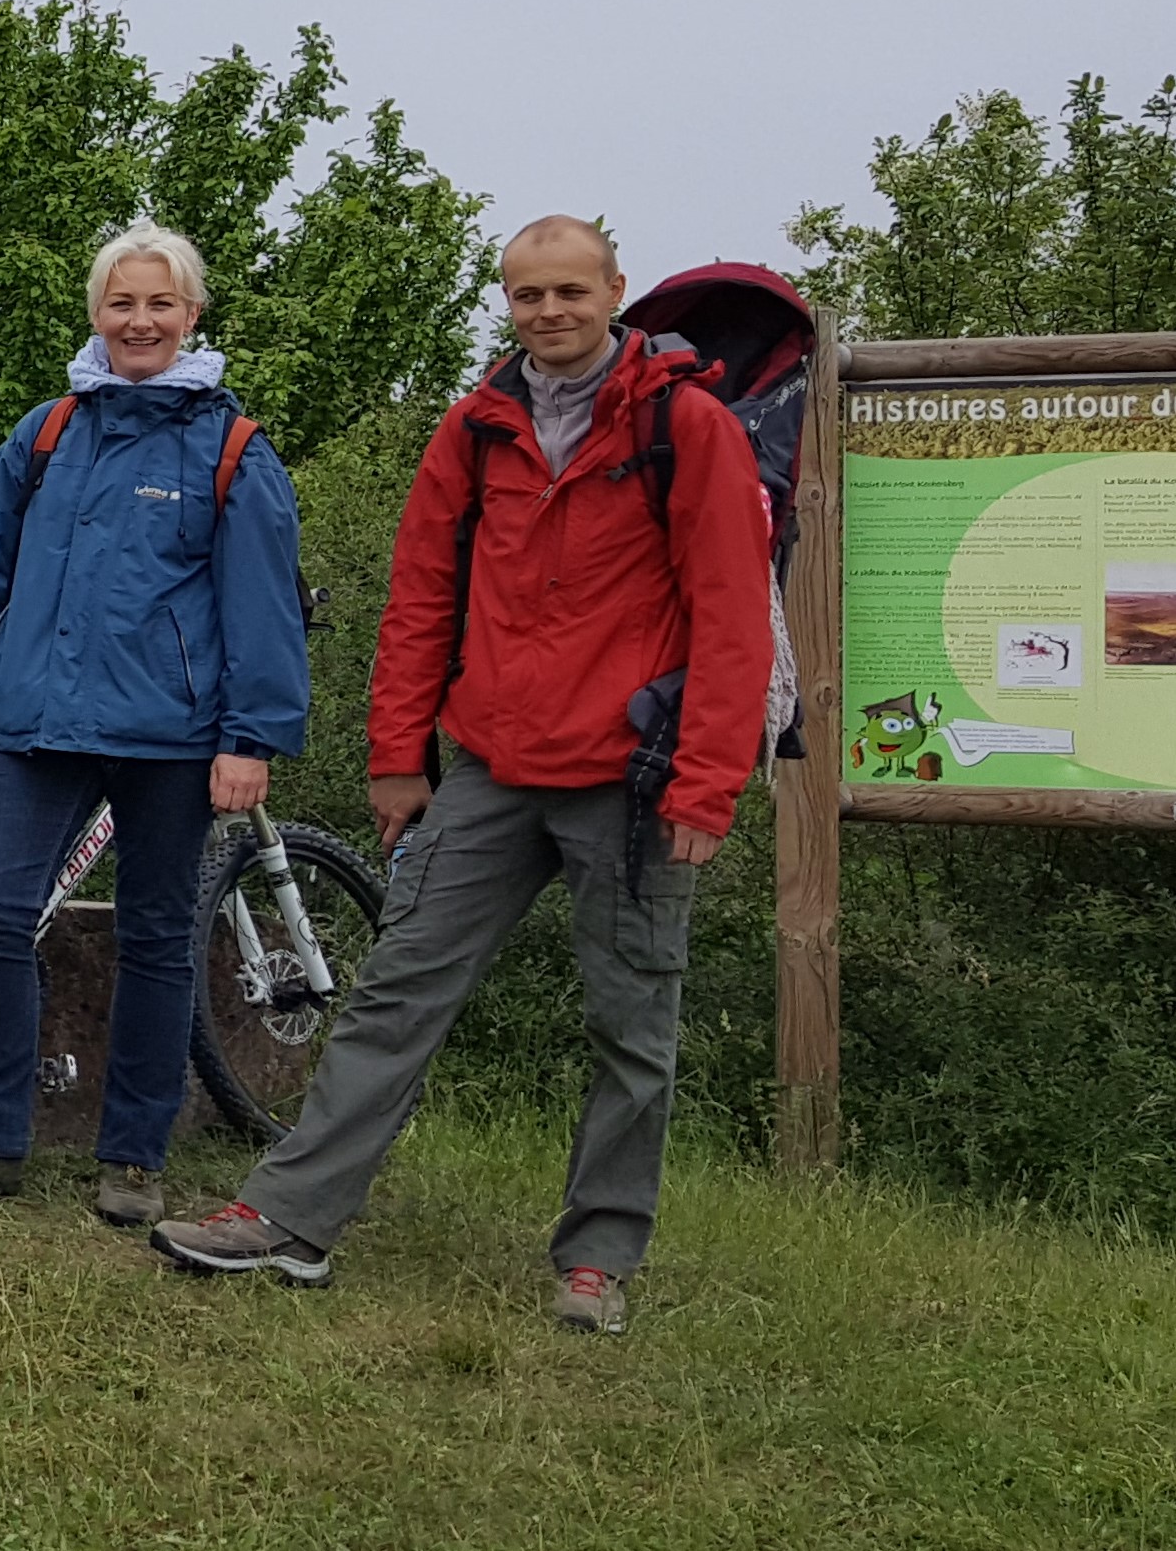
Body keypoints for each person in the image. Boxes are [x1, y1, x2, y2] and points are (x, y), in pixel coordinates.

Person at [156, 216, 772, 1336]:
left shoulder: (686, 428)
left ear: (615, 291)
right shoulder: (474, 430)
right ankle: (287, 1224)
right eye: (528, 294)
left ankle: (595, 1262)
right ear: (508, 301)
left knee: (633, 1027)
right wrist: (397, 760)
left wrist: (706, 784)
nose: (549, 312)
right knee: (393, 993)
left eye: (570, 291)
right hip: (490, 765)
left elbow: (733, 617)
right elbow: (419, 602)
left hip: (630, 778)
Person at [0, 225, 308, 1227]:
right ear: (96, 315)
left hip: (172, 738)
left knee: (159, 938)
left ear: (191, 317)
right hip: (36, 724)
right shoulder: (42, 436)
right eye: (121, 304)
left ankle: (132, 1158)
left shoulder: (232, 450)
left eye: (158, 305)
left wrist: (250, 737)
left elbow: (262, 606)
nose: (139, 321)